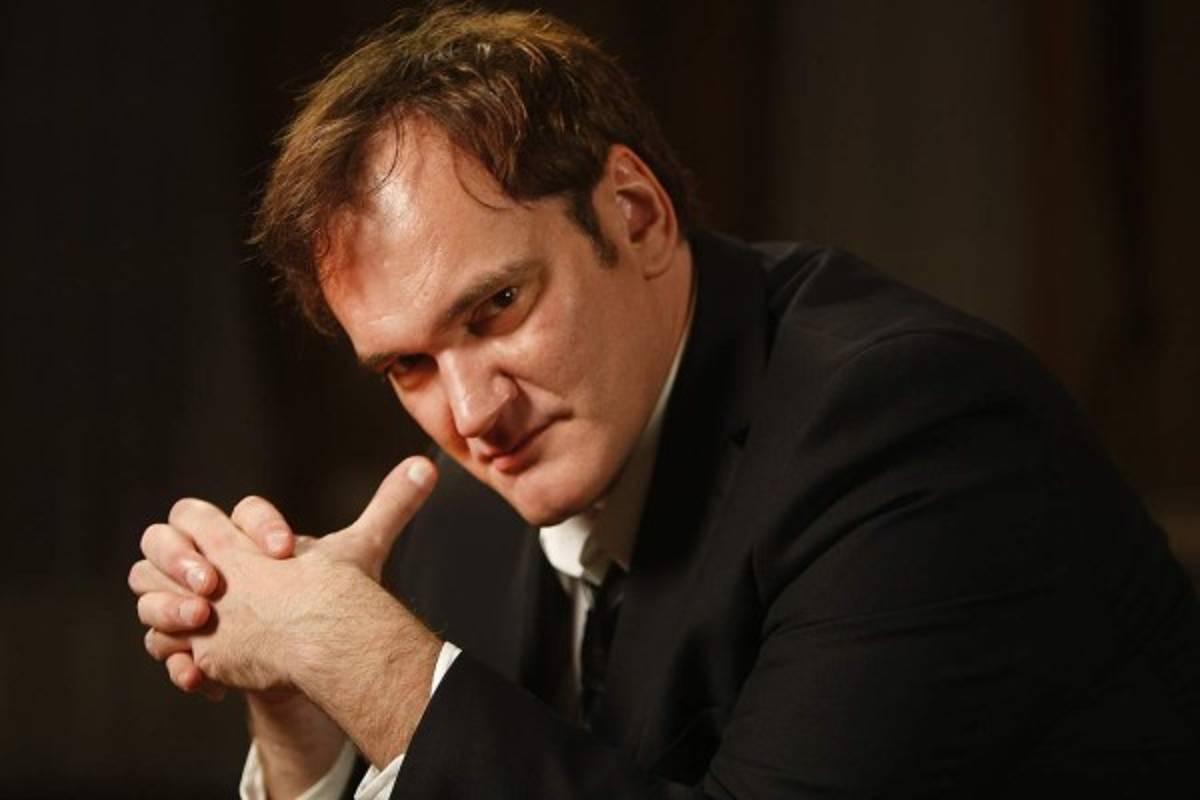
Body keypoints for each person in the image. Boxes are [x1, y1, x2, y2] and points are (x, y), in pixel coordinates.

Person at [128, 4, 1200, 797]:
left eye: (497, 305)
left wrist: (366, 657)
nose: (473, 412)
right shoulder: (464, 520)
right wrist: (307, 725)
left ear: (635, 215)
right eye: (406, 366)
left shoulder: (908, 429)